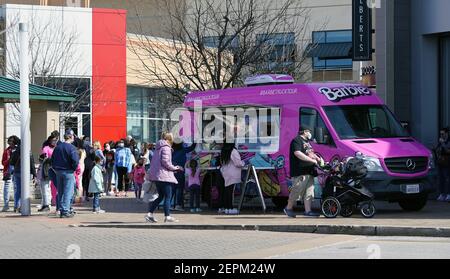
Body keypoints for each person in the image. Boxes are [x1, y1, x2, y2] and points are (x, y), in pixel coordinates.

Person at [145, 132, 183, 223]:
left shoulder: (158, 148)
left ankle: (149, 214)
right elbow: (165, 162)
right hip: (164, 175)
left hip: (157, 176)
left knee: (161, 196)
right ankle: (167, 216)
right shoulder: (166, 148)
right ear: (170, 139)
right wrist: (175, 168)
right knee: (168, 196)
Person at [284, 127, 321, 218]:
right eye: (309, 131)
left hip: (309, 171)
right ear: (305, 131)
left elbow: (309, 153)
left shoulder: (307, 142)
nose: (310, 133)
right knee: (297, 190)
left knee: (309, 192)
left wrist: (316, 158)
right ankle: (288, 208)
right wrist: (311, 160)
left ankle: (308, 211)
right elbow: (297, 153)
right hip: (300, 171)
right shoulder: (296, 140)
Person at [51, 130, 79, 218]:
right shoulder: (72, 148)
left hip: (58, 172)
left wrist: (56, 169)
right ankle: (65, 211)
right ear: (71, 136)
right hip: (68, 172)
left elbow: (52, 159)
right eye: (73, 136)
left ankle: (60, 209)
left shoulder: (58, 147)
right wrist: (73, 169)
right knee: (68, 192)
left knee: (61, 191)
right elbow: (75, 161)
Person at [9, 140, 37, 213]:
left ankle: (16, 206)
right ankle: (23, 206)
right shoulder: (28, 152)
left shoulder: (15, 152)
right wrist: (34, 174)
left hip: (16, 172)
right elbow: (32, 163)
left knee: (18, 190)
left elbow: (11, 162)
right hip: (25, 173)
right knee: (25, 190)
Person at [219, 142, 245, 215]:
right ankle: (230, 208)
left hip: (225, 173)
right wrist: (243, 163)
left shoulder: (223, 150)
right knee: (230, 192)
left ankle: (226, 208)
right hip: (233, 173)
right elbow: (238, 163)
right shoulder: (233, 151)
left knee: (227, 191)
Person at [171, 140, 197, 211]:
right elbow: (192, 147)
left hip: (172, 171)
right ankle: (178, 205)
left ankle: (169, 204)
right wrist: (195, 140)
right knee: (180, 188)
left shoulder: (172, 151)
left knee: (173, 189)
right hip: (180, 171)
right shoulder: (182, 150)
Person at [1, 136, 20, 212]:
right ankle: (6, 205)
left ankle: (17, 205)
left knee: (16, 188)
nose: (10, 143)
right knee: (7, 188)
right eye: (9, 141)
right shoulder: (6, 151)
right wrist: (9, 160)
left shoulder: (18, 150)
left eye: (11, 141)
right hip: (8, 171)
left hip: (16, 171)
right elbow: (3, 162)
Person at [435, 128, 450, 202]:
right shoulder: (440, 141)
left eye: (443, 134)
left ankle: (448, 194)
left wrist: (443, 143)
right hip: (441, 161)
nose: (441, 135)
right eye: (440, 134)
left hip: (447, 162)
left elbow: (448, 150)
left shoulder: (448, 141)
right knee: (440, 178)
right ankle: (441, 194)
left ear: (447, 134)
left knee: (446, 178)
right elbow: (437, 149)